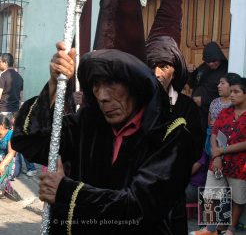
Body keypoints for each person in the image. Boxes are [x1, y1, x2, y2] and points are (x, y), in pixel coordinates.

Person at [11, 42, 200, 234]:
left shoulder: (171, 136)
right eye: (96, 85)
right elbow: (28, 139)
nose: (102, 96)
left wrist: (66, 191)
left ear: (135, 86)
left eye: (111, 84)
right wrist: (54, 83)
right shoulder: (87, 123)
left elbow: (140, 209)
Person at [145, 0, 203, 234]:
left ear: (175, 69)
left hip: (171, 203)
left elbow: (194, 152)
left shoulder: (188, 109)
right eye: (151, 65)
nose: (157, 72)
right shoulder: (130, 104)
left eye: (163, 66)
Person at [191, 76, 246, 235]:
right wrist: (216, 156)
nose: (232, 95)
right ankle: (210, 229)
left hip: (239, 165)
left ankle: (231, 229)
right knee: (211, 194)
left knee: (238, 198)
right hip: (218, 162)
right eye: (232, 91)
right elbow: (215, 132)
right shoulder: (225, 112)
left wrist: (221, 152)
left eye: (237, 92)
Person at [187, 42, 228, 135]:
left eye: (214, 61)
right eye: (208, 61)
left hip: (211, 113)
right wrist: (191, 73)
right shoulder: (203, 67)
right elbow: (192, 84)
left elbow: (227, 96)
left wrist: (203, 100)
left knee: (205, 137)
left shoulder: (226, 69)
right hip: (196, 110)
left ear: (219, 57)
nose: (211, 64)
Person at [205, 73, 240, 157]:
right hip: (212, 143)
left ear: (232, 86)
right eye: (219, 83)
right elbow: (209, 123)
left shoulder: (236, 104)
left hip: (230, 146)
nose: (218, 86)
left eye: (222, 83)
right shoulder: (214, 102)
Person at [0, 114, 15, 198]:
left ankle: (3, 188)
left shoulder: (11, 135)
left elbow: (11, 153)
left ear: (1, 126)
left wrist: (2, 164)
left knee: (3, 169)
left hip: (8, 159)